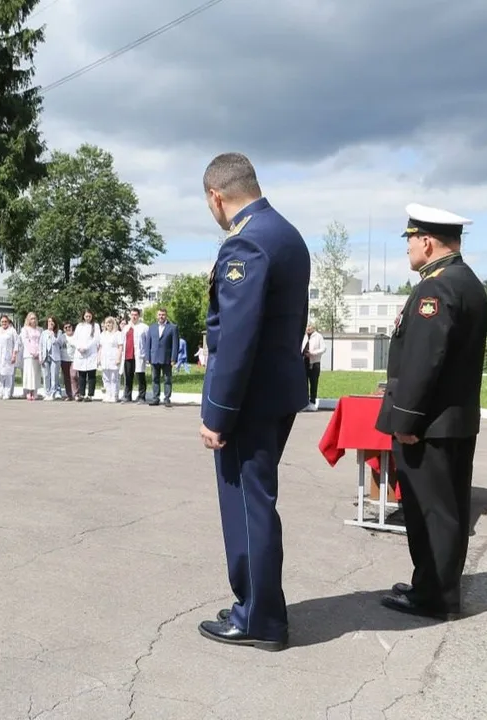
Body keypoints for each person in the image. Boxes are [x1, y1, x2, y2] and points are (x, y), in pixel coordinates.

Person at [197, 152, 310, 652]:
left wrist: (217, 414)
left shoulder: (246, 241)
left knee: (247, 506)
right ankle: (255, 603)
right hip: (275, 392)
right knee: (257, 501)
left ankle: (259, 618)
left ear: (216, 196)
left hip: (248, 401)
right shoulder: (286, 233)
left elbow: (236, 338)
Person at [375, 204, 487, 620]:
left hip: (428, 425)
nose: (407, 247)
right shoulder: (468, 282)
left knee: (431, 513)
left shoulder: (435, 289)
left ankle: (436, 597)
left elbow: (424, 361)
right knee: (448, 509)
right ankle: (433, 585)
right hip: (453, 421)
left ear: (426, 242)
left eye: (410, 240)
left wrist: (406, 420)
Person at [144, 308, 179, 407]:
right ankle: (155, 398)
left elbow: (175, 344)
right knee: (155, 379)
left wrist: (174, 358)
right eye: (159, 314)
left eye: (163, 314)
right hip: (154, 357)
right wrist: (147, 357)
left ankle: (167, 399)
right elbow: (148, 343)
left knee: (167, 379)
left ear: (166, 315)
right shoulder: (152, 327)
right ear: (157, 316)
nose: (161, 316)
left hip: (167, 358)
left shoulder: (173, 327)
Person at [122, 308, 148, 403]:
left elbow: (147, 342)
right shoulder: (126, 328)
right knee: (128, 376)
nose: (134, 317)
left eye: (136, 315)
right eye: (132, 314)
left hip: (139, 355)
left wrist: (147, 356)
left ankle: (141, 396)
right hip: (128, 355)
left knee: (140, 376)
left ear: (139, 316)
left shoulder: (144, 327)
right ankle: (127, 396)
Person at [302, 324, 326, 411]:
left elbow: (323, 349)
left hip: (314, 363)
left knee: (313, 383)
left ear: (313, 328)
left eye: (310, 326)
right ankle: (304, 402)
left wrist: (313, 353)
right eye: (307, 326)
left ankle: (312, 402)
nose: (308, 328)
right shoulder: (304, 336)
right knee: (304, 383)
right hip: (304, 362)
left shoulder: (318, 336)